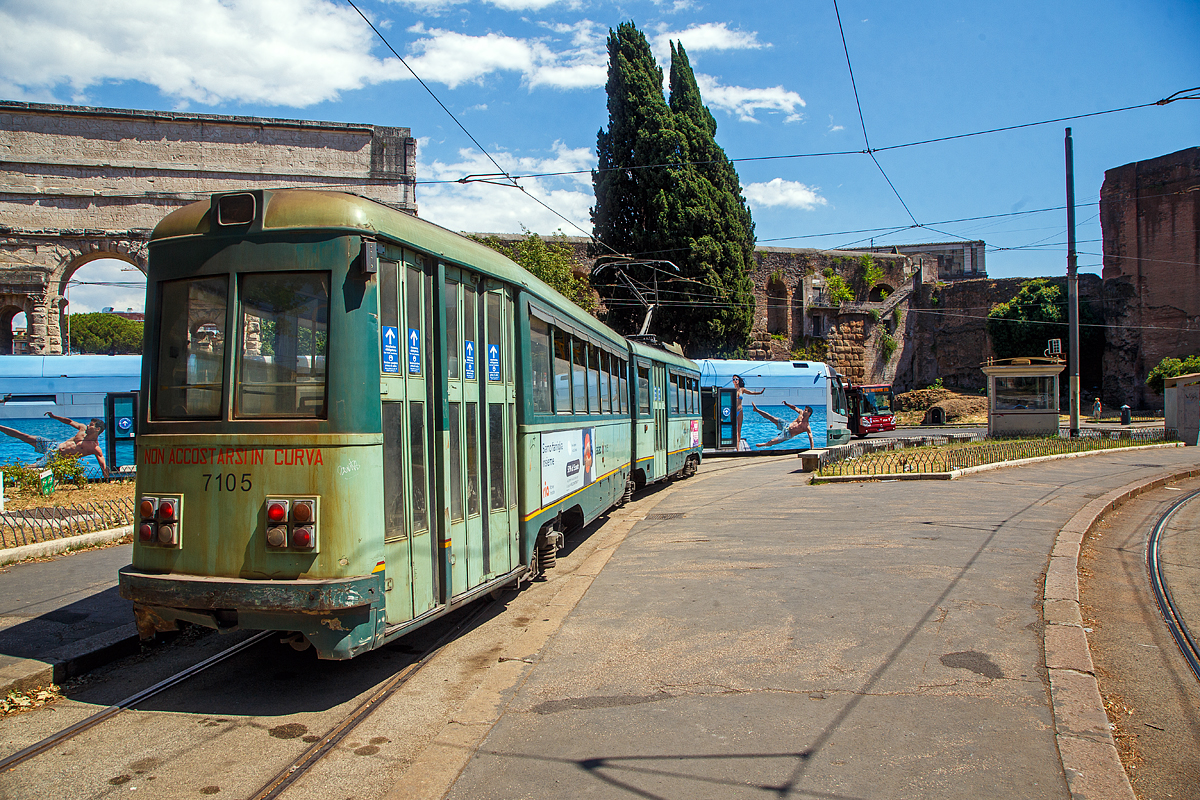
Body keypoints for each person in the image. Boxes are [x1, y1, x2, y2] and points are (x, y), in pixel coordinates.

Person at [0, 412, 109, 479]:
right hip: (53, 445)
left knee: (31, 467)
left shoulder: (94, 447)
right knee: (25, 436)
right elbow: (69, 421)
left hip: (55, 456)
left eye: (91, 425)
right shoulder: (82, 429)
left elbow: (102, 463)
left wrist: (107, 479)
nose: (87, 425)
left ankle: (6, 470)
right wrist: (54, 416)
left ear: (97, 429)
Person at [731, 375, 764, 449]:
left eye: (736, 379)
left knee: (739, 430)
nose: (735, 380)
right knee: (734, 429)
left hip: (740, 410)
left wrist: (760, 393)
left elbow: (751, 392)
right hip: (733, 411)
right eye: (734, 379)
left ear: (739, 380)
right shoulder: (732, 390)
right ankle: (734, 444)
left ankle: (738, 447)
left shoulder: (742, 389)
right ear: (732, 381)